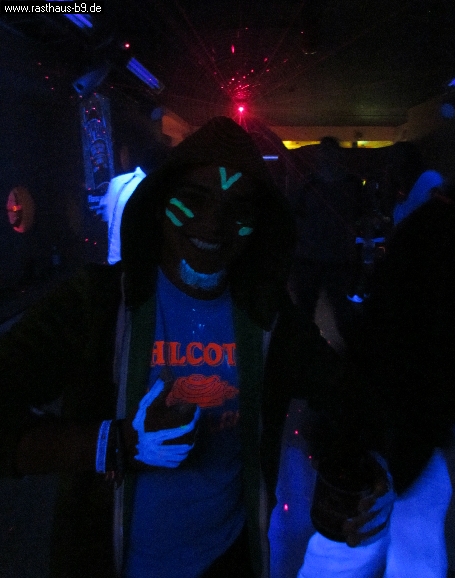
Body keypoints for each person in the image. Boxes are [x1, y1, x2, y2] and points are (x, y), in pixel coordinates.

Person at [0, 116, 389, 578]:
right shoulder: (97, 304)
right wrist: (113, 444)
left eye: (237, 207)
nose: (213, 224)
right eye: (194, 198)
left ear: (259, 222)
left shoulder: (268, 317)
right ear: (158, 202)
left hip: (225, 562)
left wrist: (357, 465)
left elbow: (348, 395)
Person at [289, 136, 363, 343]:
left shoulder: (348, 184)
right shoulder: (312, 183)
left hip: (330, 258)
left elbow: (295, 215)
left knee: (338, 310)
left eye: (329, 152)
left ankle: (347, 350)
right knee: (326, 309)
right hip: (318, 257)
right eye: (323, 152)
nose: (326, 156)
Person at [98, 141, 169, 264]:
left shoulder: (116, 182)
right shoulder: (150, 188)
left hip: (114, 263)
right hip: (136, 267)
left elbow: (103, 214)